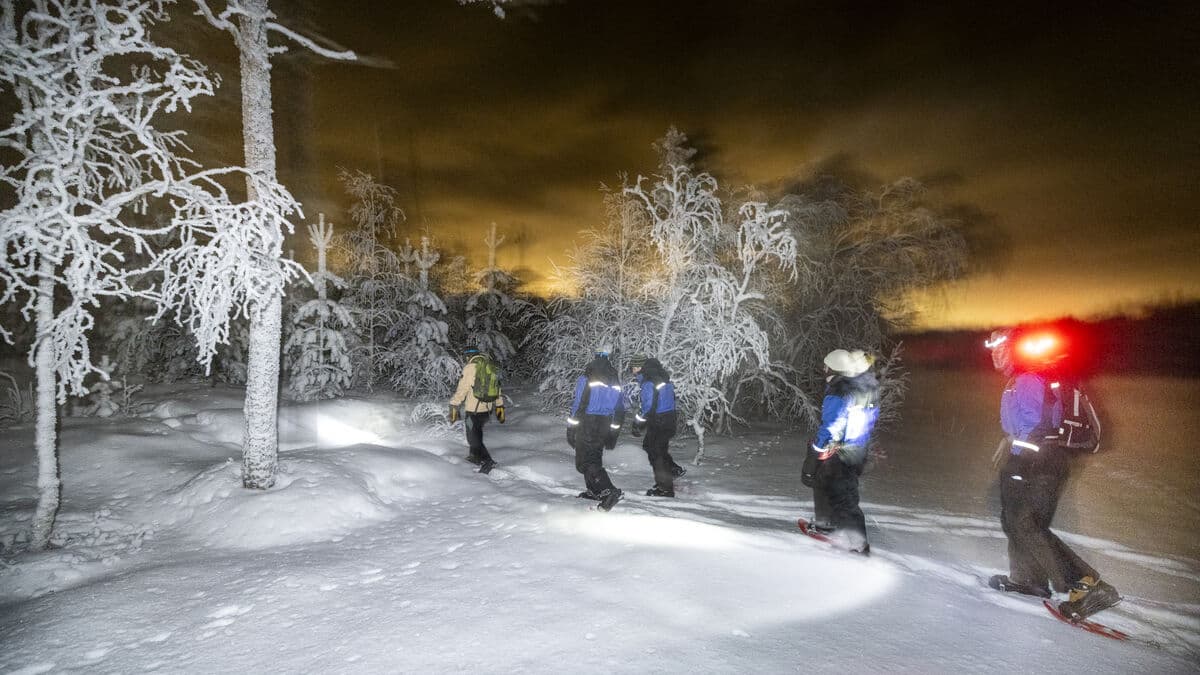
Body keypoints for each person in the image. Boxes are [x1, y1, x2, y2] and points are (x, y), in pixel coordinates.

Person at [985, 328, 1120, 620]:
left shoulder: (1029, 378)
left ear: (1015, 350)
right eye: (993, 348)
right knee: (1014, 520)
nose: (996, 354)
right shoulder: (1020, 379)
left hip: (1041, 462)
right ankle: (1028, 580)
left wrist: (1020, 459)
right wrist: (1010, 444)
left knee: (1026, 523)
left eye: (1002, 347)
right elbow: (1022, 425)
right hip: (1034, 459)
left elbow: (1039, 425)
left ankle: (1087, 585)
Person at [801, 349, 879, 555]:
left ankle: (858, 544)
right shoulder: (862, 387)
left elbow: (832, 426)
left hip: (842, 452)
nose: (823, 370)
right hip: (856, 449)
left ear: (833, 369)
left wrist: (815, 453)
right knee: (824, 483)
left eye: (825, 367)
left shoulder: (839, 391)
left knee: (844, 498)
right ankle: (826, 525)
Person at [567, 346, 626, 511]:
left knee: (586, 460)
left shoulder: (587, 376)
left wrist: (571, 427)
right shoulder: (615, 379)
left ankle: (610, 491)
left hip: (588, 421)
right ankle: (593, 491)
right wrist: (613, 432)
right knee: (594, 456)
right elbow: (620, 408)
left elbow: (579, 404)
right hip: (605, 422)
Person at [629, 354, 685, 497]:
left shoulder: (649, 382)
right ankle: (672, 470)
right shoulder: (662, 378)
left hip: (659, 420)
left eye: (635, 367)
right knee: (652, 446)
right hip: (669, 418)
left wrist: (638, 423)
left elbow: (648, 407)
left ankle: (664, 488)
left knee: (656, 454)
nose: (633, 371)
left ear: (642, 367)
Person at [449, 347, 505, 474]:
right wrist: (500, 406)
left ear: (469, 356)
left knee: (473, 437)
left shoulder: (470, 368)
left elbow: (462, 389)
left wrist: (454, 405)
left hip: (473, 410)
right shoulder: (490, 366)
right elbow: (497, 389)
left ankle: (487, 461)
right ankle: (474, 457)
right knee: (476, 432)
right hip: (488, 409)